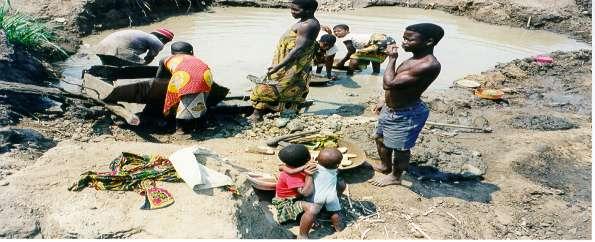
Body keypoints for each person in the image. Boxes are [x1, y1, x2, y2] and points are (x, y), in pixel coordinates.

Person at [369, 23, 444, 187]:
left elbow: (389, 83)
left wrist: (392, 59)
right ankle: (385, 166)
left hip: (407, 113)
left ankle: (396, 176)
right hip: (391, 108)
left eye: (409, 39)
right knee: (380, 138)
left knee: (400, 148)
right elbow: (401, 86)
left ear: (429, 41)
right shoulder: (414, 58)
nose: (404, 42)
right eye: (404, 38)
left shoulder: (428, 64)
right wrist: (384, 100)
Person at [249, 0, 321, 122]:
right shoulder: (305, 21)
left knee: (269, 85)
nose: (292, 12)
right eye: (291, 8)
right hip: (288, 60)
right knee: (288, 85)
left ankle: (257, 114)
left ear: (309, 11)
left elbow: (299, 49)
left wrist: (279, 66)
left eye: (295, 10)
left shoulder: (308, 25)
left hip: (292, 63)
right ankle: (284, 111)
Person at [280, 148, 346, 235]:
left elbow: (305, 191)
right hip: (332, 197)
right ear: (338, 164)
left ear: (317, 159)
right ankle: (339, 228)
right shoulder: (336, 170)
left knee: (311, 213)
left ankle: (303, 235)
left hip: (317, 198)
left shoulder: (312, 169)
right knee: (335, 212)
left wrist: (282, 167)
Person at [154, 41, 214, 133]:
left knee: (172, 100)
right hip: (206, 75)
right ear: (192, 52)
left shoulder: (166, 59)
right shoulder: (196, 59)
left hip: (184, 76)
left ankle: (180, 127)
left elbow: (159, 79)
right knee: (201, 99)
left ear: (172, 53)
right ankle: (201, 124)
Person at [272, 144, 319, 239]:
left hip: (295, 196)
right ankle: (302, 235)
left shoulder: (291, 167)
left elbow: (281, 167)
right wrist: (309, 175)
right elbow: (306, 192)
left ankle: (301, 217)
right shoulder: (292, 176)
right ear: (307, 159)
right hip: (287, 202)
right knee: (312, 209)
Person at [324, 24, 395, 76]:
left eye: (339, 31)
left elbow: (351, 52)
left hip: (378, 41)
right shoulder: (354, 35)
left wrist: (342, 62)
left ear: (347, 31)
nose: (336, 33)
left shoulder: (347, 37)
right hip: (387, 41)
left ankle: (348, 76)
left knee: (354, 58)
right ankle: (375, 75)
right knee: (374, 59)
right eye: (335, 32)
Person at [95, 28, 174, 66]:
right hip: (117, 49)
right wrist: (142, 64)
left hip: (100, 48)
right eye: (166, 41)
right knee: (140, 67)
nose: (164, 44)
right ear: (162, 38)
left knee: (109, 67)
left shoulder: (143, 34)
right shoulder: (157, 41)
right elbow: (149, 58)